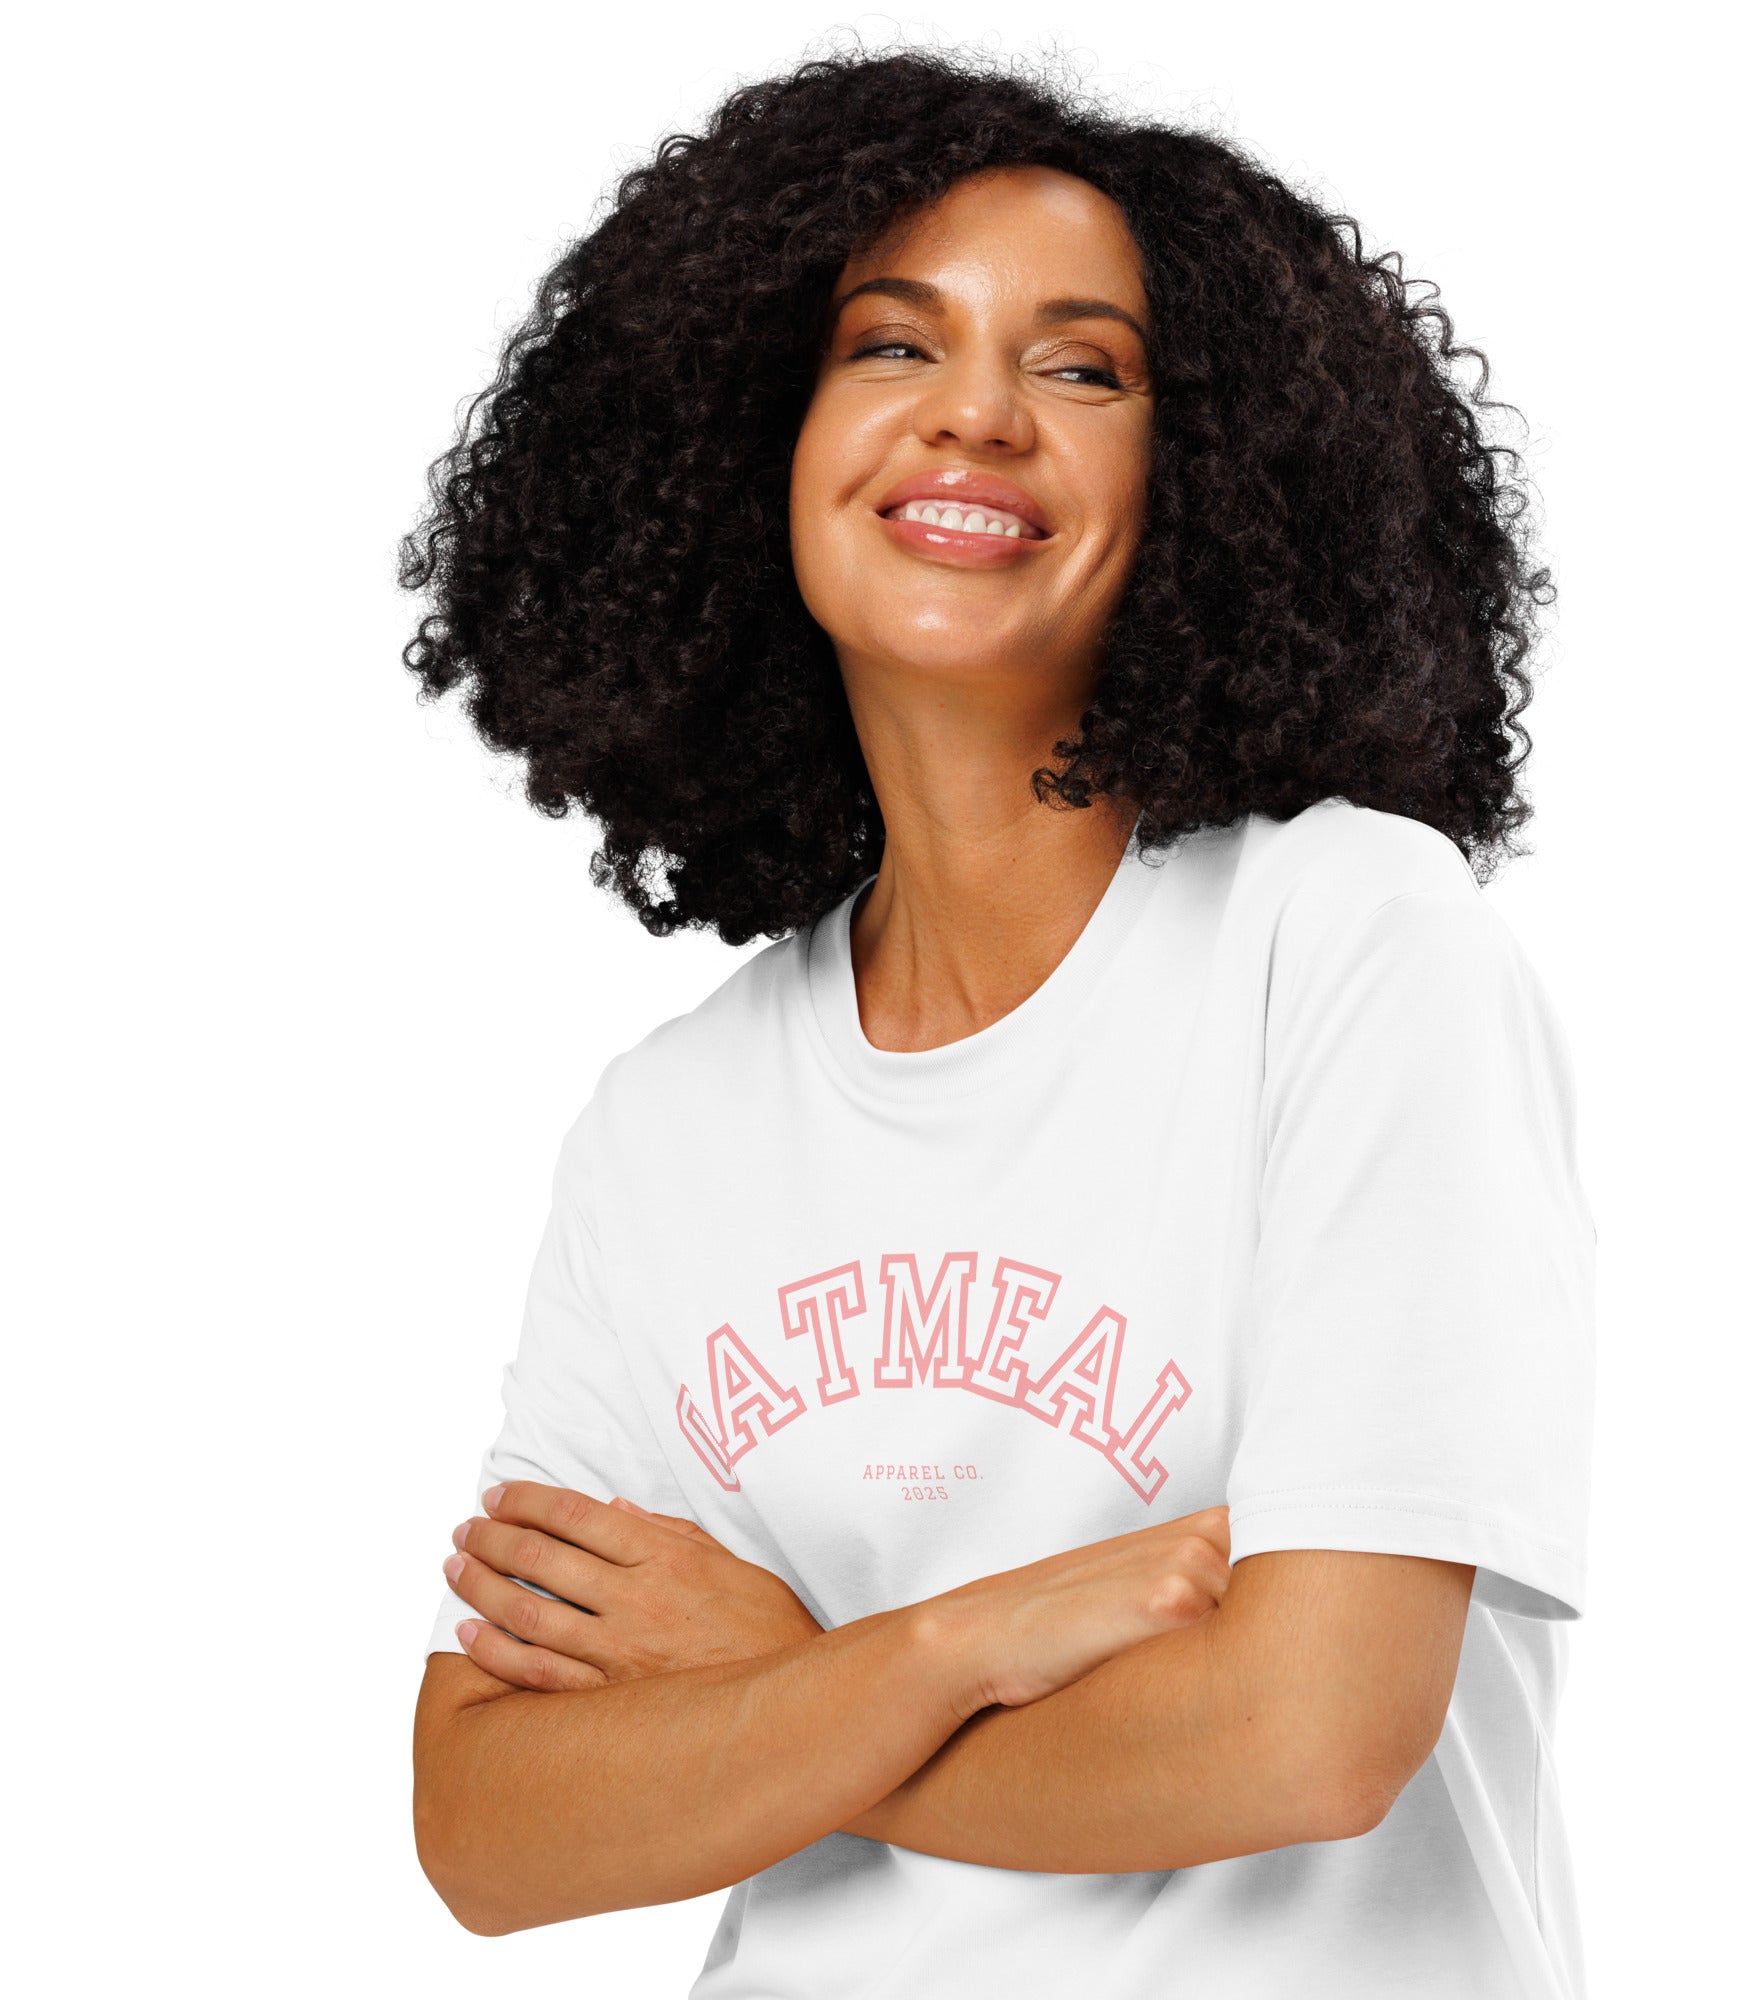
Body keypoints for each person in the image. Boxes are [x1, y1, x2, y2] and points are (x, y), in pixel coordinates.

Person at [401, 48, 1595, 2000]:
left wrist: (767, 1700)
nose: (973, 413)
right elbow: (491, 1819)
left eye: (1083, 367)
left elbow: (1306, 1734)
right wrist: (946, 1648)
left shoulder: (1351, 941)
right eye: (890, 346)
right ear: (750, 442)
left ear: (1205, 471)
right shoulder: (673, 1119)